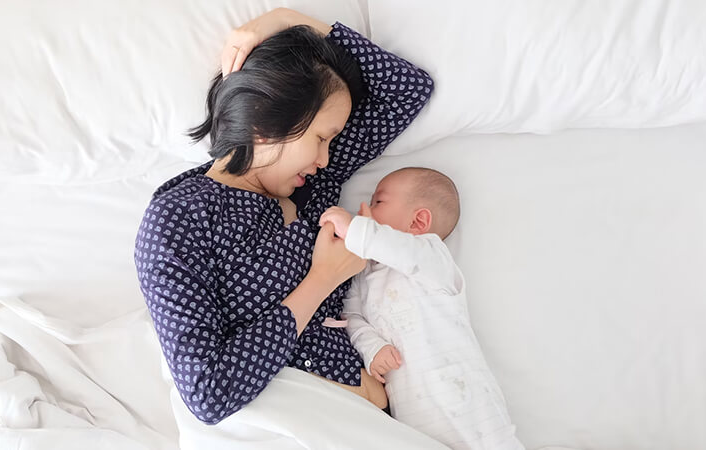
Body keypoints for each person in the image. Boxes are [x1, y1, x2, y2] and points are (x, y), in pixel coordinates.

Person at [134, 7, 434, 425]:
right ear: (267, 119)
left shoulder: (314, 182)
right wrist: (321, 279)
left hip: (376, 422)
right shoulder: (178, 219)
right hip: (298, 423)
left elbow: (407, 90)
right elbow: (208, 392)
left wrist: (286, 20)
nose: (326, 157)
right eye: (321, 138)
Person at [320, 168, 525, 450]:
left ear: (418, 221)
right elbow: (352, 316)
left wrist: (356, 229)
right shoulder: (364, 272)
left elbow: (396, 249)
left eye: (378, 202)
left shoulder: (431, 256)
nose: (364, 208)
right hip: (414, 419)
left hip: (468, 402)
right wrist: (372, 348)